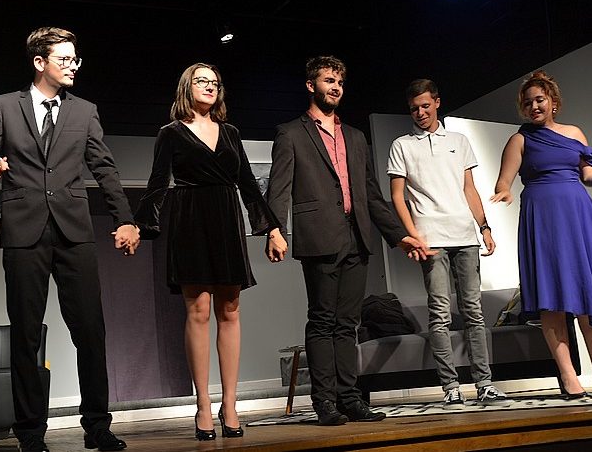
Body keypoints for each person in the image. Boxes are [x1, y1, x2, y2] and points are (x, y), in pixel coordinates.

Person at [0, 27, 139, 452]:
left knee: (91, 331)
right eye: (64, 59)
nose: (73, 66)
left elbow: (104, 167)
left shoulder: (85, 111)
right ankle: (29, 433)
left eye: (75, 59)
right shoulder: (4, 106)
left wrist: (125, 219)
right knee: (25, 334)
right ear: (39, 62)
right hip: (24, 230)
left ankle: (97, 425)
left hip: (74, 230)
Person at [266, 56, 430, 425]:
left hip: (357, 237)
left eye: (340, 82)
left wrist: (400, 236)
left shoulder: (355, 137)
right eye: (329, 81)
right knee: (322, 320)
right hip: (319, 236)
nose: (336, 88)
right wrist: (274, 229)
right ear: (311, 85)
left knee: (348, 323)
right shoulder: (291, 133)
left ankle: (350, 399)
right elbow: (278, 188)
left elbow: (371, 195)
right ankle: (324, 402)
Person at [135, 63, 283, 440]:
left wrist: (272, 228)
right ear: (187, 86)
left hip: (225, 218)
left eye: (215, 82)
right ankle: (202, 403)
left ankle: (230, 403)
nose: (210, 86)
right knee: (198, 309)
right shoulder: (170, 133)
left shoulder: (230, 132)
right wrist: (139, 225)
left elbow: (248, 184)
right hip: (190, 220)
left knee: (230, 308)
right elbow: (157, 183)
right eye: (202, 81)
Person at [491, 70, 592, 399]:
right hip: (542, 219)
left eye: (540, 100)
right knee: (552, 299)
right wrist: (504, 191)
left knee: (587, 294)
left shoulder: (574, 133)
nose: (534, 106)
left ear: (553, 102)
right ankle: (569, 376)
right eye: (528, 103)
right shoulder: (520, 140)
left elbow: (589, 176)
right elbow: (504, 180)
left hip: (577, 215)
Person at [387, 79, 508, 408]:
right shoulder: (402, 145)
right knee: (439, 313)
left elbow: (469, 188)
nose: (420, 112)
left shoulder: (458, 140)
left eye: (425, 106)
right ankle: (451, 386)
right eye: (414, 108)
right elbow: (397, 196)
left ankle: (484, 384)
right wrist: (412, 234)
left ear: (437, 103)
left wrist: (484, 227)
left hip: (465, 236)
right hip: (431, 239)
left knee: (474, 311)